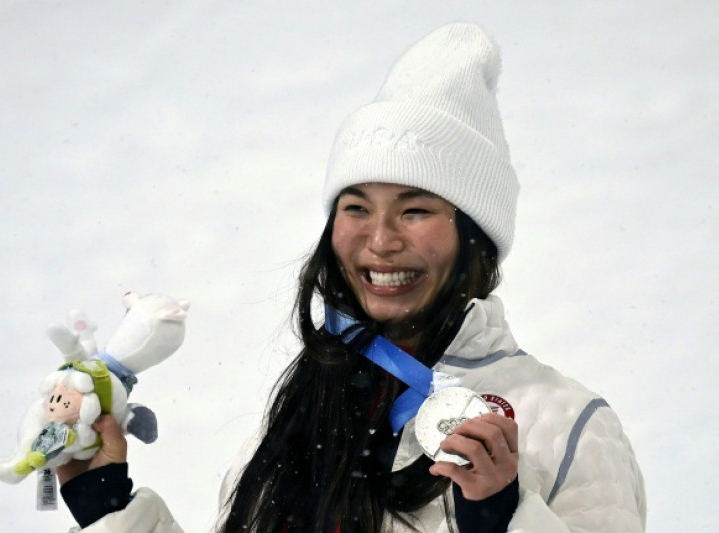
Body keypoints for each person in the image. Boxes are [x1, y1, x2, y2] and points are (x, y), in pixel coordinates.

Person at [56, 22, 647, 532]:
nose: (382, 240)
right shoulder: (307, 401)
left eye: (415, 210)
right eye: (357, 207)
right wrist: (105, 502)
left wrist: (499, 516)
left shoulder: (568, 422)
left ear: (475, 238)